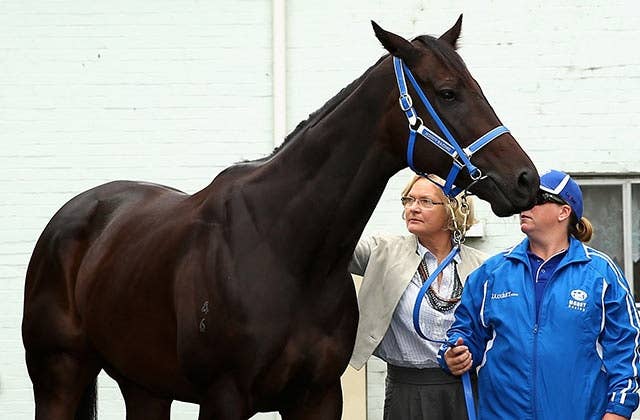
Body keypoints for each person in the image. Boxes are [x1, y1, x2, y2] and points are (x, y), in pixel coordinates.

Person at [440, 169, 640, 420]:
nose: (525, 206)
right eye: (522, 199)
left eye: (536, 199)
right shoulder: (492, 272)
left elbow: (626, 348)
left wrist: (618, 411)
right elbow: (464, 332)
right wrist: (455, 353)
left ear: (564, 211)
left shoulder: (600, 274)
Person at [349, 174, 487, 420]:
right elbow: (334, 249)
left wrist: (469, 354)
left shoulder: (481, 266)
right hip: (406, 391)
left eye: (425, 201)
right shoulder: (382, 251)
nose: (413, 208)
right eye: (409, 200)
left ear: (453, 210)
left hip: (465, 390)